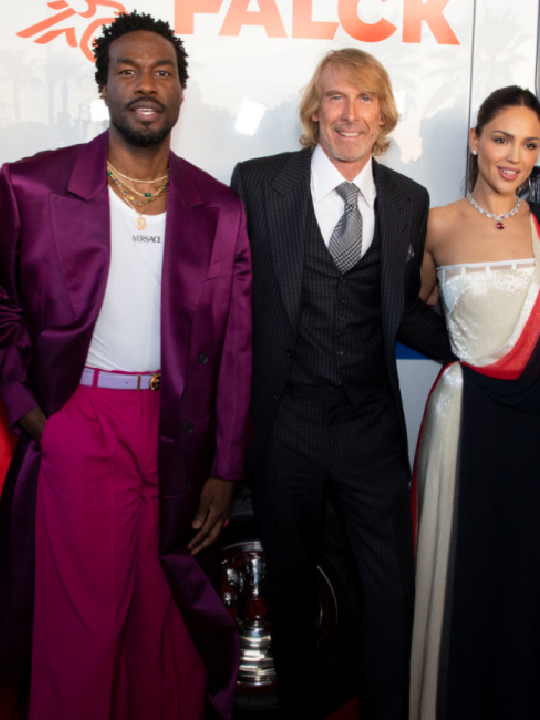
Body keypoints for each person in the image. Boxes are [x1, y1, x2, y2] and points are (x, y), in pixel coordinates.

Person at [0, 11, 248, 720]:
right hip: (81, 420)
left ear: (181, 93)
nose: (146, 84)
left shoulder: (219, 208)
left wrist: (224, 468)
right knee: (83, 619)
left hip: (176, 429)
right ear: (102, 86)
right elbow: (1, 309)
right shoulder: (33, 187)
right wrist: (35, 417)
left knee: (164, 618)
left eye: (163, 71)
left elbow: (235, 348)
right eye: (127, 69)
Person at [229, 49, 452, 720]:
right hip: (285, 423)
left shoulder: (410, 200)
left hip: (369, 426)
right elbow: (229, 294)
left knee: (391, 592)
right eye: (335, 98)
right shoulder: (258, 182)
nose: (349, 114)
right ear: (314, 110)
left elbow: (405, 308)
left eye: (364, 100)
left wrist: (487, 351)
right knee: (292, 590)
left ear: (383, 114)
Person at [409, 86, 540, 719]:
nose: (515, 157)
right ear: (475, 139)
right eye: (502, 139)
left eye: (530, 144)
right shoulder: (437, 223)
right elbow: (403, 308)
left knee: (524, 573)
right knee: (461, 573)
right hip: (465, 419)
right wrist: (461, 354)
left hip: (533, 429)